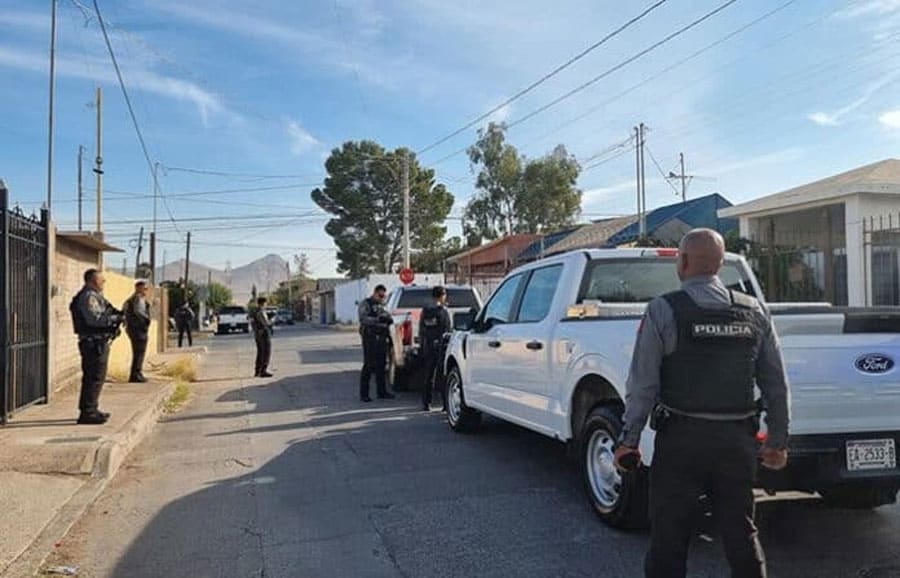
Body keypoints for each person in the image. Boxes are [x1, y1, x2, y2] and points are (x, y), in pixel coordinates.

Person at [614, 228, 790, 578]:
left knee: (669, 535)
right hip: (736, 441)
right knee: (740, 531)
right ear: (721, 264)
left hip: (681, 442)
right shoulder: (754, 310)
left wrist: (628, 441)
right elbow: (775, 383)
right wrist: (777, 440)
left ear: (682, 261)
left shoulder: (663, 309)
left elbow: (643, 385)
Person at [69, 269, 123, 425]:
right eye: (101, 279)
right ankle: (88, 412)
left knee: (95, 377)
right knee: (94, 377)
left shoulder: (94, 296)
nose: (103, 282)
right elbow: (95, 319)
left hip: (97, 342)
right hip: (93, 343)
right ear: (92, 280)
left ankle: (91, 408)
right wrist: (115, 319)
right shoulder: (88, 296)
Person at [358, 284, 394, 403]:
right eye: (380, 296)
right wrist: (378, 320)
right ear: (375, 293)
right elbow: (363, 319)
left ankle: (381, 391)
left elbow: (388, 316)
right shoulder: (366, 303)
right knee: (369, 365)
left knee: (381, 365)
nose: (382, 298)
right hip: (370, 337)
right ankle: (364, 394)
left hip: (382, 337)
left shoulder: (382, 305)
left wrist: (388, 319)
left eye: (383, 296)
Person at [419, 286, 452, 411]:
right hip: (441, 346)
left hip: (428, 345)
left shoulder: (426, 311)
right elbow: (447, 329)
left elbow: (422, 329)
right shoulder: (442, 311)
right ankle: (445, 404)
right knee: (442, 375)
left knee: (428, 375)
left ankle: (426, 403)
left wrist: (422, 344)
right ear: (442, 295)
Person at [123, 280, 151, 383]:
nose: (146, 291)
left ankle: (136, 373)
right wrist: (146, 319)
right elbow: (139, 312)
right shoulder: (138, 299)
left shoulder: (131, 299)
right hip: (138, 329)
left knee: (138, 353)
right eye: (145, 288)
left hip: (134, 329)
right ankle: (136, 375)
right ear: (138, 288)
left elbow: (124, 311)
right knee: (139, 353)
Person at [251, 297, 274, 378]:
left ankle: (257, 371)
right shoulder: (261, 312)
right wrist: (271, 321)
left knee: (260, 352)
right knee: (266, 352)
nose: (266, 305)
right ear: (263, 303)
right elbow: (265, 323)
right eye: (266, 303)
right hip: (264, 334)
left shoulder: (255, 311)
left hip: (258, 334)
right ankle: (263, 370)